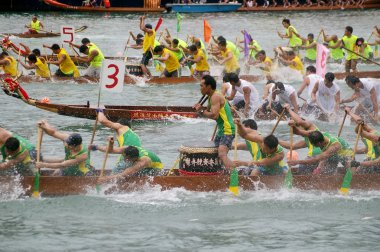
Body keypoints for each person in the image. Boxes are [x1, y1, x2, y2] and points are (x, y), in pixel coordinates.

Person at [193, 75, 235, 170]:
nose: (200, 88)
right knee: (215, 154)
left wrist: (202, 111)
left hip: (227, 130)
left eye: (201, 86)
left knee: (222, 154)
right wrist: (200, 110)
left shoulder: (215, 96)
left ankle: (234, 176)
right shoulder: (210, 97)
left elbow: (213, 115)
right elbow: (207, 113)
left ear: (208, 86)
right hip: (221, 130)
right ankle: (219, 174)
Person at [278, 104, 322, 174]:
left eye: (297, 127)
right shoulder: (307, 140)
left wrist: (289, 109)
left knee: (302, 167)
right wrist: (277, 141)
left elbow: (299, 122)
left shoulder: (312, 128)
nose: (296, 129)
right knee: (303, 167)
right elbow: (291, 146)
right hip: (316, 159)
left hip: (320, 157)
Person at [287, 130, 352, 175]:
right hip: (332, 155)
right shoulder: (320, 136)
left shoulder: (334, 146)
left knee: (350, 171)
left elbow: (316, 159)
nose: (314, 146)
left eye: (314, 145)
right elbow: (301, 132)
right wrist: (318, 169)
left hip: (346, 154)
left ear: (319, 143)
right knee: (326, 173)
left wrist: (297, 162)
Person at [95, 142, 163, 183]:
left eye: (126, 159)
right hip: (137, 161)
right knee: (121, 165)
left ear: (133, 158)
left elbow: (124, 174)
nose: (124, 159)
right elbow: (111, 150)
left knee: (130, 175)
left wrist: (106, 179)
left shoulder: (143, 161)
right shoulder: (127, 148)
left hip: (155, 168)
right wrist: (96, 147)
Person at [345, 107, 380, 173]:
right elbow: (366, 149)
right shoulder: (374, 135)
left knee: (360, 167)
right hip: (372, 159)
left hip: (374, 162)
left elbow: (375, 162)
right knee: (357, 169)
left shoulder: (374, 136)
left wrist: (358, 163)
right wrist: (349, 113)